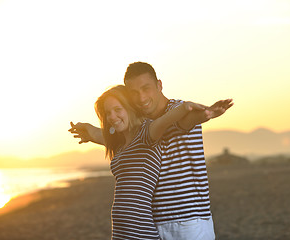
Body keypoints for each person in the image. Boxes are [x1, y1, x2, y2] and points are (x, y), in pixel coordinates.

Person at [69, 62, 234, 240]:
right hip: (154, 222)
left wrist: (206, 113)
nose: (141, 98)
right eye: (134, 93)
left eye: (146, 88)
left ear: (159, 85)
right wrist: (89, 130)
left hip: (188, 221)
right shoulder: (141, 125)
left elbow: (188, 120)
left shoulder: (176, 110)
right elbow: (120, 141)